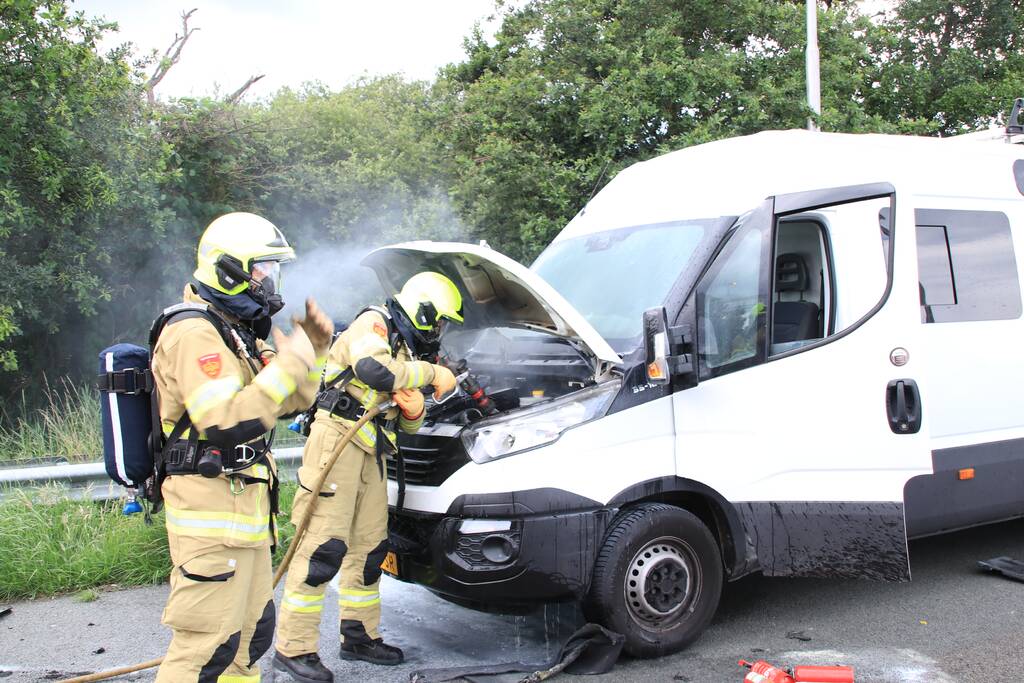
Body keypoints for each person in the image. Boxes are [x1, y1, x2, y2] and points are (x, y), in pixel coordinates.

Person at [152, 212, 333, 682]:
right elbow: (225, 421)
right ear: (227, 270)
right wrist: (290, 359)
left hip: (246, 514)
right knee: (206, 649)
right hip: (211, 516)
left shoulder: (229, 329)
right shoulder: (194, 332)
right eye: (261, 270)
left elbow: (292, 403)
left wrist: (312, 353)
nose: (270, 281)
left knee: (248, 641)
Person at [273, 272, 461, 682]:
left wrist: (414, 412)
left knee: (369, 549)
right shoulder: (373, 324)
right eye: (440, 321)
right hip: (337, 443)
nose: (440, 331)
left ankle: (359, 636)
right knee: (323, 548)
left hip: (372, 451)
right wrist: (430, 375)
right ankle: (294, 648)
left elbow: (405, 422)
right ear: (423, 311)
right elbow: (375, 372)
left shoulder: (402, 347)